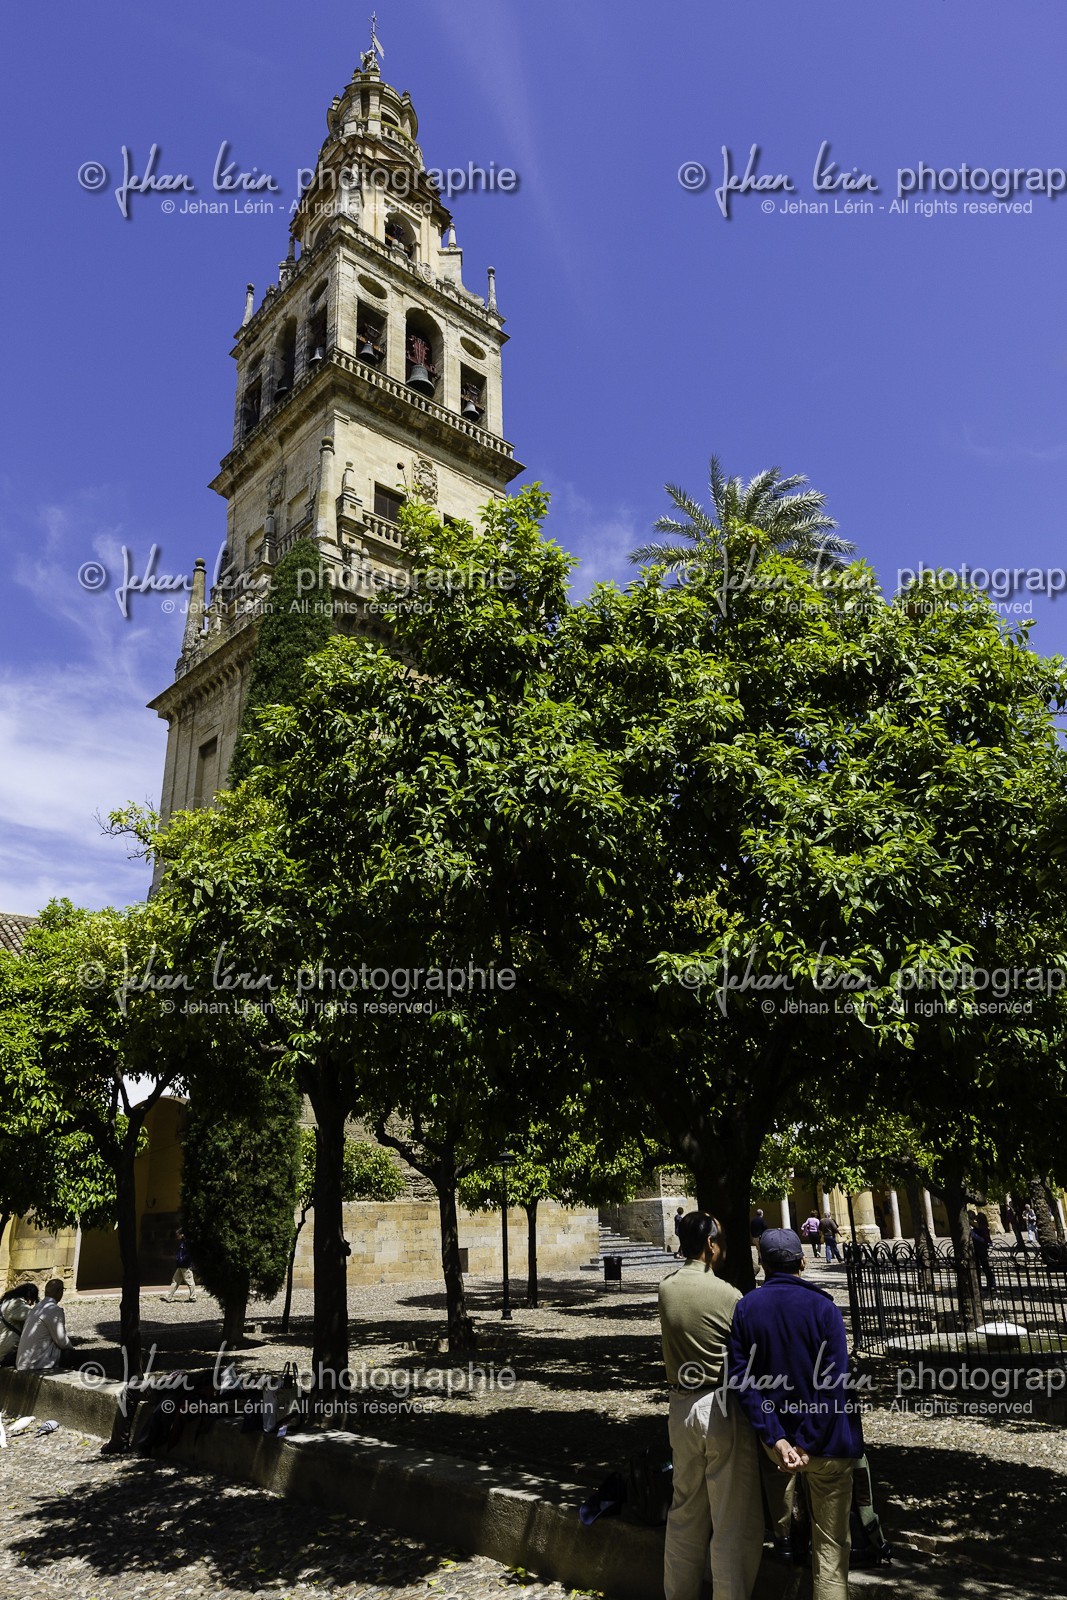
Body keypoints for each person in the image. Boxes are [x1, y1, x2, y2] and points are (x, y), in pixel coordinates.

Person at [729, 1229, 864, 1600]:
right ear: (803, 1262)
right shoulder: (823, 1308)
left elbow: (742, 1381)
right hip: (826, 1445)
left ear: (763, 1265)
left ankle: (786, 1541)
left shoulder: (747, 1308)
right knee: (832, 1546)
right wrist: (806, 1439)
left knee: (785, 1528)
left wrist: (778, 1438)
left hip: (779, 1447)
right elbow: (833, 1382)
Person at [658, 1211, 763, 1600]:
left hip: (681, 1407)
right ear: (710, 1245)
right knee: (730, 1518)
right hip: (719, 1406)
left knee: (685, 1511)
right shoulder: (728, 1295)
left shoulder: (666, 1288)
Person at [15, 1278, 72, 1371]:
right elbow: (62, 1341)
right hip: (37, 1363)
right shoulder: (53, 1310)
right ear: (59, 1291)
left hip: (23, 1363)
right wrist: (72, 1350)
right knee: (79, 1356)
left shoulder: (37, 1308)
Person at [0, 1283, 39, 1365]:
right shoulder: (16, 1304)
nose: (32, 1304)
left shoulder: (6, 1302)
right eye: (33, 1300)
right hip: (6, 1351)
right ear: (29, 1296)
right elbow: (35, 1316)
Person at [162, 1227, 198, 1303]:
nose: (177, 1236)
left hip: (185, 1265)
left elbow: (188, 1254)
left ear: (182, 1235)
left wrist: (181, 1259)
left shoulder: (186, 1243)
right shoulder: (183, 1242)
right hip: (180, 1265)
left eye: (178, 1235)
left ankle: (193, 1297)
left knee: (190, 1282)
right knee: (175, 1281)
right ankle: (169, 1296)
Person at [969, 1212, 995, 1295]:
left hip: (981, 1248)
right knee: (977, 1268)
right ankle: (980, 1285)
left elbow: (982, 1236)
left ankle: (991, 1285)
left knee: (985, 1267)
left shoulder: (982, 1227)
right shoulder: (979, 1227)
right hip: (977, 1249)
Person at [749, 1209, 767, 1277]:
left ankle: (759, 1260)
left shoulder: (752, 1220)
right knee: (761, 1249)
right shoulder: (762, 1220)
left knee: (758, 1249)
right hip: (760, 1237)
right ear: (761, 1214)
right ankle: (762, 1261)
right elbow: (765, 1228)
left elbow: (751, 1229)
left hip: (754, 1238)